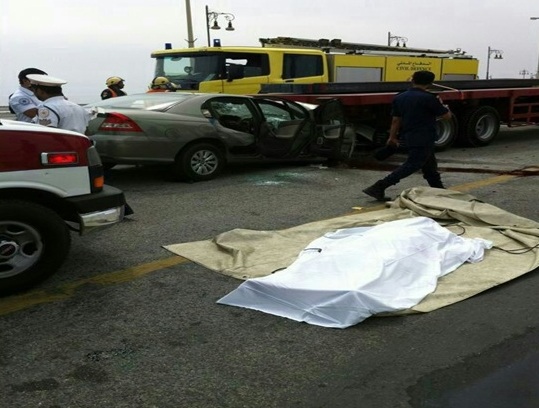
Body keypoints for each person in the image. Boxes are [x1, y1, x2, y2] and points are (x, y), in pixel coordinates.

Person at [362, 70, 451, 201]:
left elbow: (395, 120)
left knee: (429, 165)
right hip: (425, 136)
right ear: (430, 83)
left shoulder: (400, 97)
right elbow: (447, 116)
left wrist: (392, 137)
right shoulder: (430, 98)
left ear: (412, 80)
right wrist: (443, 104)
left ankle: (439, 190)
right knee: (413, 164)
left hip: (409, 135)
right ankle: (379, 186)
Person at [28, 74, 92, 134]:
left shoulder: (46, 108)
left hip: (58, 144)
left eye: (34, 90)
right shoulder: (77, 107)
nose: (34, 94)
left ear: (40, 90)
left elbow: (46, 133)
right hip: (78, 144)